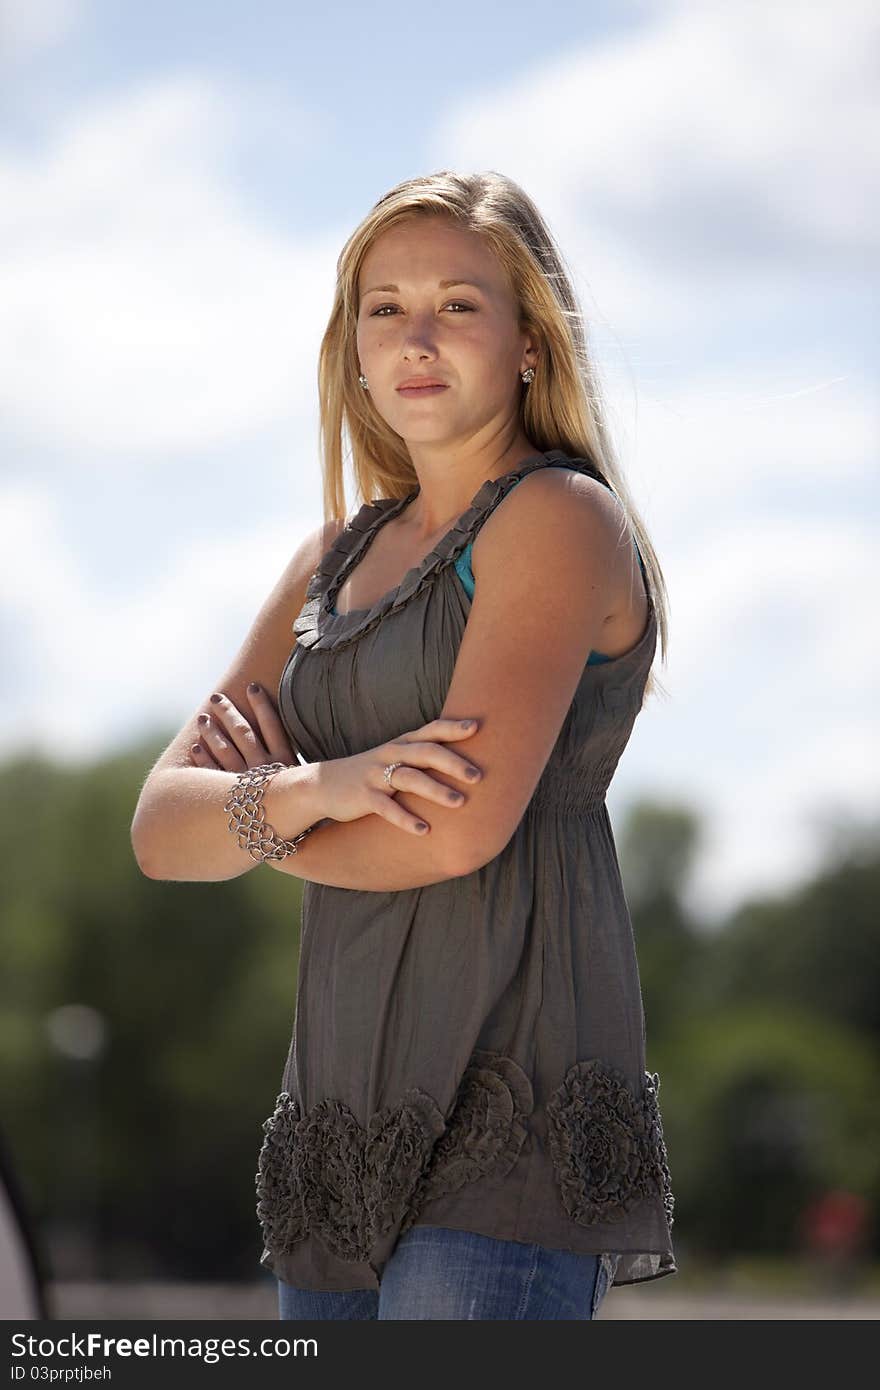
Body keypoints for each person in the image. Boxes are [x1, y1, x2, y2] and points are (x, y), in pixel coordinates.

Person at [131, 170, 676, 1320]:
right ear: (354, 346)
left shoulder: (557, 518)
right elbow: (158, 831)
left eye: (457, 306)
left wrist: (261, 822)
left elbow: (455, 832)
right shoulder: (328, 557)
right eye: (386, 308)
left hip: (505, 1111)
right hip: (336, 1130)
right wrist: (326, 785)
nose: (416, 339)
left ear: (529, 341)